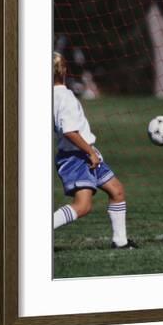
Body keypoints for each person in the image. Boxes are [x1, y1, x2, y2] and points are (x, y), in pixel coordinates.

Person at [52, 51, 136, 249]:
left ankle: (121, 242)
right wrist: (90, 152)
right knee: (83, 206)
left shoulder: (53, 95)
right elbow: (70, 131)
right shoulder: (64, 97)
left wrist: (91, 151)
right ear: (63, 69)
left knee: (116, 190)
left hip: (84, 153)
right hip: (77, 156)